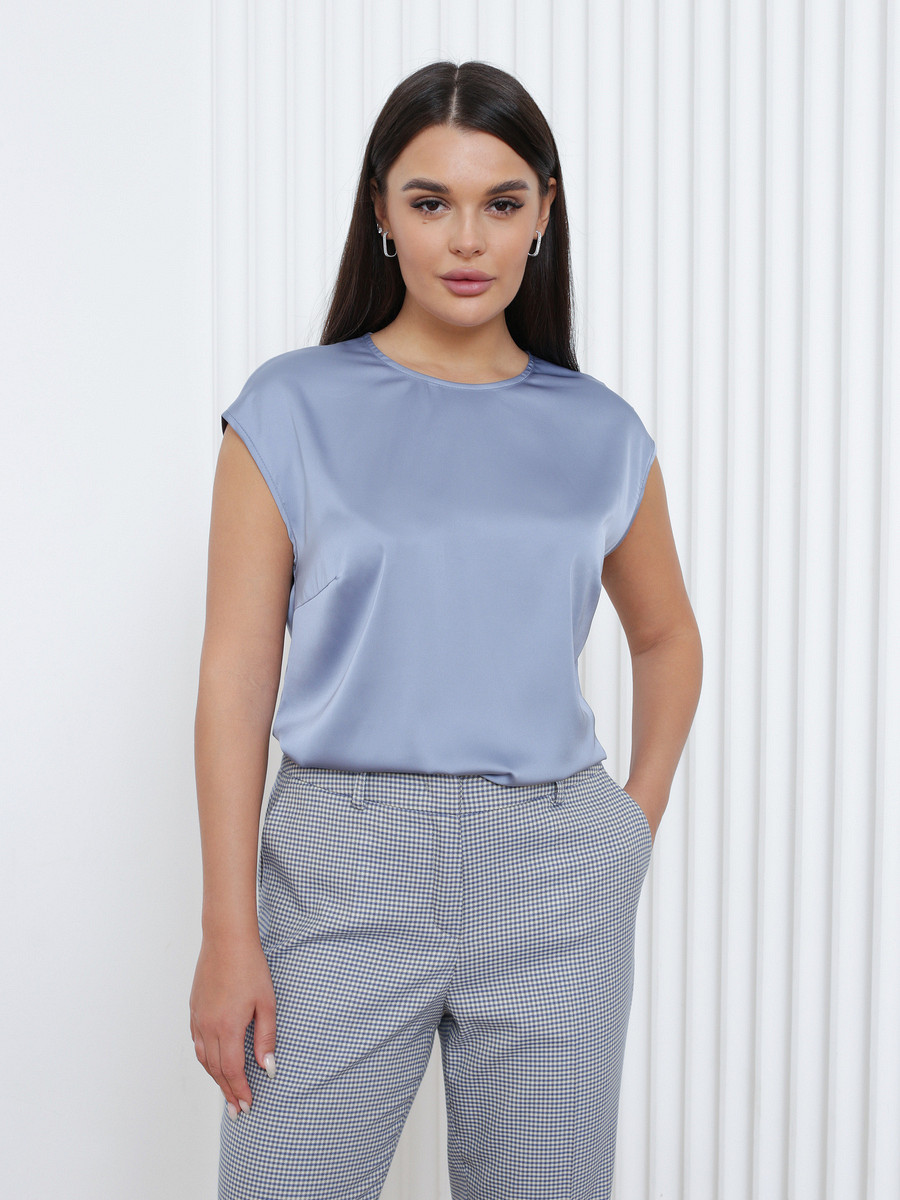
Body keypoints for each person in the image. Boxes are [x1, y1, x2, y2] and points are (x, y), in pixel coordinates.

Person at [190, 59, 702, 1200]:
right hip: (338, 863)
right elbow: (236, 676)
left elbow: (668, 638)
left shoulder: (601, 432)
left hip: (557, 869)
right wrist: (228, 929)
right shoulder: (289, 409)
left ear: (543, 214)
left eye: (501, 203)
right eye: (431, 202)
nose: (467, 239)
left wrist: (631, 822)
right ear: (381, 210)